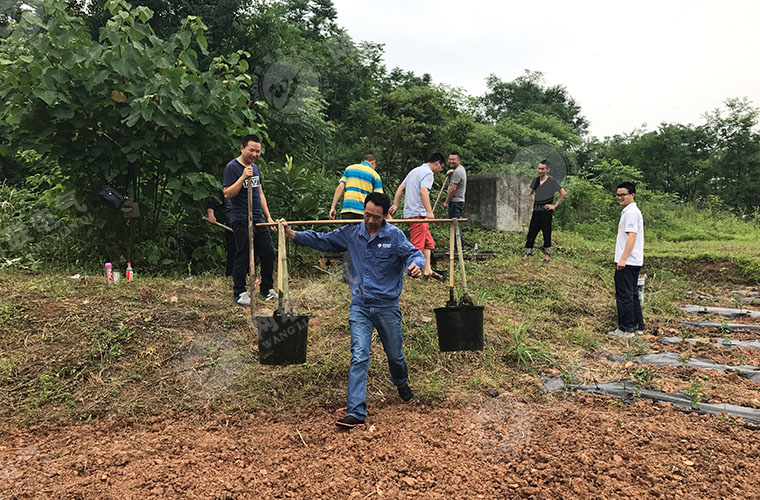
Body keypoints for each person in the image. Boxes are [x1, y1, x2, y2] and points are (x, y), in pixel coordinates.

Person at [282, 192, 425, 428]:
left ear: (386, 215)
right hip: (360, 305)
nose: (370, 221)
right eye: (367, 215)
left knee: (395, 355)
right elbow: (323, 240)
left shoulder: (395, 236)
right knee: (359, 355)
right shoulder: (352, 233)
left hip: (387, 307)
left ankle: (401, 382)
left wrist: (415, 266)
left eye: (376, 217)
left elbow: (414, 253)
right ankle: (356, 412)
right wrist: (294, 235)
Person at [223, 134, 277, 306]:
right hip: (240, 218)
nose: (254, 154)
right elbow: (227, 193)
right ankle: (239, 292)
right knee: (244, 254)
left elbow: (260, 193)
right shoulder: (232, 167)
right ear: (242, 148)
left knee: (268, 251)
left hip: (258, 218)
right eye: (251, 150)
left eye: (258, 151)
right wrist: (242, 178)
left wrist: (268, 217)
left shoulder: (255, 168)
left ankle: (266, 288)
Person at [328, 153, 384, 283]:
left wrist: (333, 207)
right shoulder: (374, 175)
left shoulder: (350, 168)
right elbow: (379, 199)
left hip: (347, 210)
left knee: (348, 242)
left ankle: (347, 277)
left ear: (362, 160)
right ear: (373, 163)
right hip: (365, 213)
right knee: (365, 242)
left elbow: (340, 187)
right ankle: (362, 276)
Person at [390, 152, 446, 279]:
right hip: (418, 215)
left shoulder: (414, 171)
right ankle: (408, 272)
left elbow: (400, 188)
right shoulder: (428, 173)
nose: (440, 171)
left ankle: (428, 270)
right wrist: (429, 211)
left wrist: (395, 205)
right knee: (417, 246)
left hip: (412, 214)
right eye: (441, 167)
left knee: (428, 242)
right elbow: (423, 190)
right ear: (437, 163)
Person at [610, 181, 645, 337]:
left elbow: (632, 236)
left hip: (628, 261)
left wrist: (622, 259)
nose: (619, 197)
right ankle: (638, 325)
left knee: (624, 295)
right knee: (632, 294)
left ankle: (626, 328)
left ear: (632, 195)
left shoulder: (631, 213)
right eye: (618, 195)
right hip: (633, 260)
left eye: (623, 195)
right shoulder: (630, 211)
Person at [523, 159, 566, 263]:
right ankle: (528, 252)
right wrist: (532, 206)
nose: (540, 170)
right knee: (532, 232)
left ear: (547, 170)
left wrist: (554, 206)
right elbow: (531, 193)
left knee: (546, 232)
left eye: (542, 169)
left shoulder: (552, 182)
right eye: (539, 168)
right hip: (536, 211)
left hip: (546, 211)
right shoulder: (536, 181)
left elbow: (563, 193)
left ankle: (547, 255)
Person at [205, 191, 236, 277]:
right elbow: (212, 204)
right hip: (231, 227)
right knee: (232, 251)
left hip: (247, 226)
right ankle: (230, 275)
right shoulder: (226, 190)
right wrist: (211, 215)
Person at [442, 151, 467, 245]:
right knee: (455, 224)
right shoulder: (460, 170)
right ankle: (457, 248)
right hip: (459, 201)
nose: (451, 161)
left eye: (453, 159)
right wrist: (451, 172)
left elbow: (452, 189)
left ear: (459, 160)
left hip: (455, 202)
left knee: (454, 225)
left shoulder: (457, 172)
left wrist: (446, 202)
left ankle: (457, 249)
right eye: (450, 159)